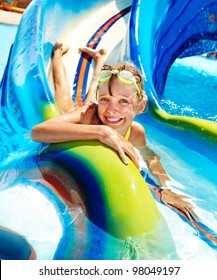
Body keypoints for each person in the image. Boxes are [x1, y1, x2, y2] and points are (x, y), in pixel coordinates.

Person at [31, 43, 198, 221]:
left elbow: (151, 158)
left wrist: (166, 189)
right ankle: (58, 54)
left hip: (95, 106)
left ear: (140, 106)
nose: (112, 110)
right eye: (106, 100)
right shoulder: (88, 115)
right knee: (63, 95)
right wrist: (101, 131)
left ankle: (100, 58)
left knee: (98, 89)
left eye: (123, 102)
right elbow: (38, 132)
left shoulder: (136, 132)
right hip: (86, 112)